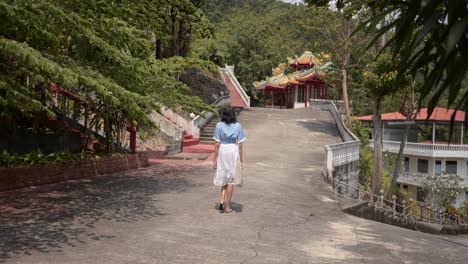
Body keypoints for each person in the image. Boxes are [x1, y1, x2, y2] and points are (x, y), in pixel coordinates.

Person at [213, 107, 246, 214]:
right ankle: (227, 207)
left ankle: (221, 202)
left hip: (222, 150)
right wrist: (241, 160)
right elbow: (240, 145)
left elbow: (217, 144)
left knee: (223, 175)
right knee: (231, 179)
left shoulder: (219, 125)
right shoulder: (238, 126)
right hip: (233, 150)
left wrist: (214, 159)